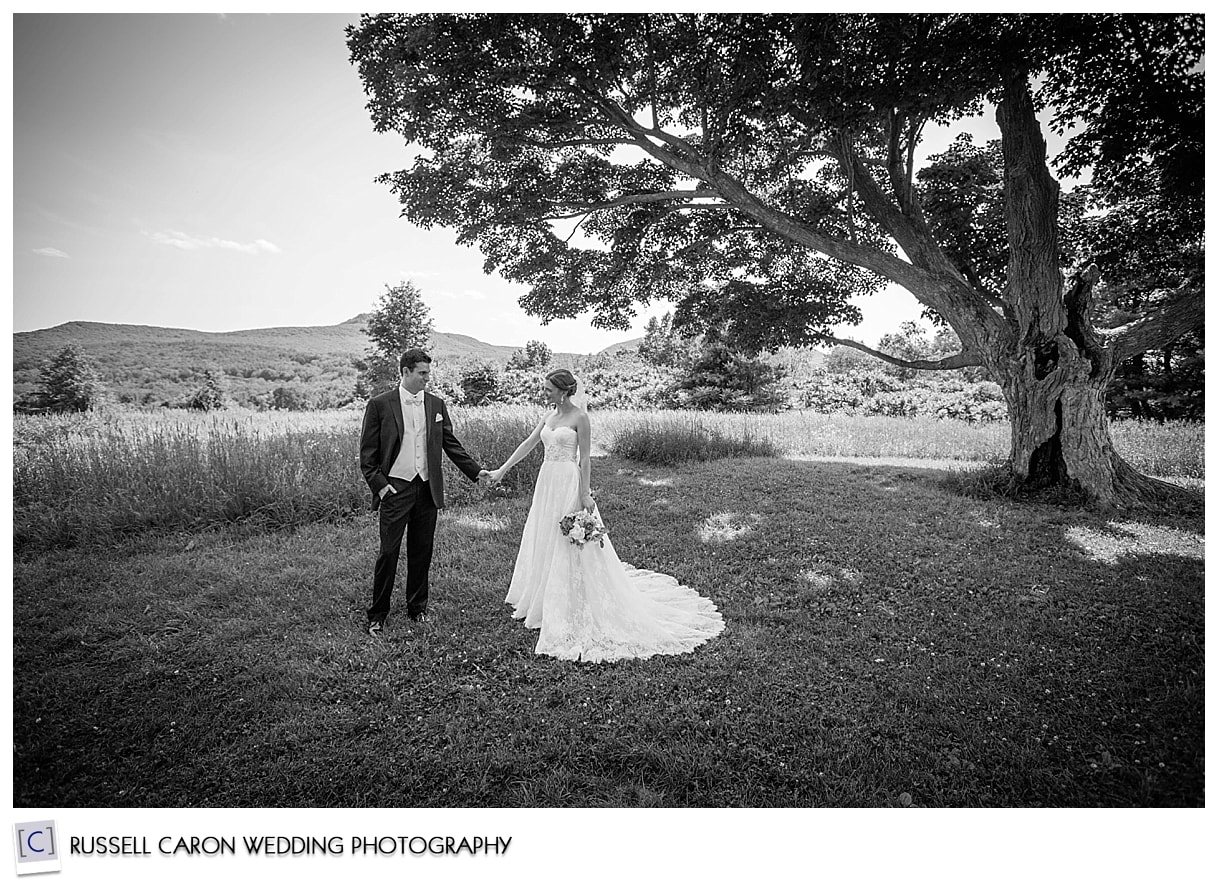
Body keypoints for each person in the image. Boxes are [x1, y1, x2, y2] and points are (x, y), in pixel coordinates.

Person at [488, 369, 724, 662]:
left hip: (568, 482)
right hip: (546, 482)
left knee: (569, 542)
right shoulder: (548, 417)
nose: (544, 393)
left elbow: (585, 458)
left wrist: (585, 494)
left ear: (563, 391)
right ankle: (543, 597)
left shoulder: (579, 418)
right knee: (545, 535)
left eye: (548, 389)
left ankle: (573, 600)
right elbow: (528, 444)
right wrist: (501, 471)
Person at [359, 349, 488, 635]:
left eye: (428, 374)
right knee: (388, 553)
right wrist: (382, 487)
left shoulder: (436, 404)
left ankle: (417, 609)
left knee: (422, 551)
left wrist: (475, 471)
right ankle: (377, 614)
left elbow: (450, 443)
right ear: (405, 372)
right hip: (396, 488)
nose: (427, 379)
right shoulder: (380, 405)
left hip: (426, 488)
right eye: (422, 374)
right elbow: (367, 457)